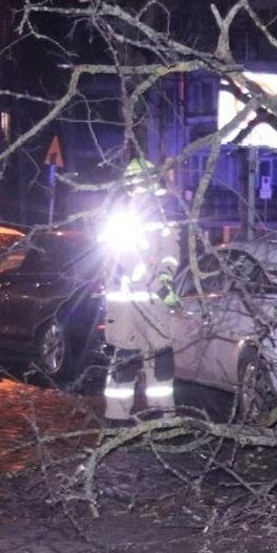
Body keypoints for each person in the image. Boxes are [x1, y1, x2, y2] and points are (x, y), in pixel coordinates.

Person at [97, 158, 181, 422]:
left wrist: (165, 276)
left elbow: (171, 251)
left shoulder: (162, 212)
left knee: (160, 363)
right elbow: (108, 255)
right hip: (125, 307)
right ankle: (117, 418)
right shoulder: (120, 215)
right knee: (125, 362)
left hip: (153, 303)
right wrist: (128, 271)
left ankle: (162, 418)